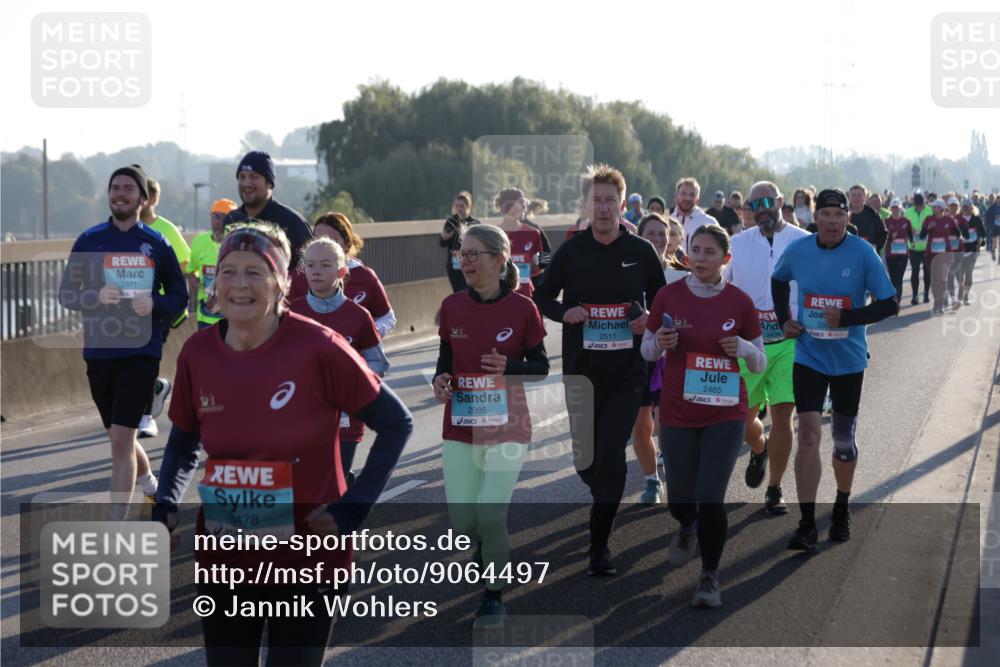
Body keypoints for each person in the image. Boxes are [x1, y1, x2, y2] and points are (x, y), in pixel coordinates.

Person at [153, 222, 412, 666]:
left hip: (309, 554)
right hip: (227, 549)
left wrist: (354, 507)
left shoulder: (320, 347)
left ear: (280, 281)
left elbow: (396, 423)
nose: (239, 284)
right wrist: (166, 503)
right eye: (228, 272)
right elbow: (182, 442)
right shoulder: (197, 352)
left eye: (254, 272)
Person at [533, 164, 666, 575]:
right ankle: (604, 495)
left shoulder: (641, 251)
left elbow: (663, 305)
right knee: (586, 460)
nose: (604, 208)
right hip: (581, 371)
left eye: (611, 200)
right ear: (585, 205)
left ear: (623, 205)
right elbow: (540, 297)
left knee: (609, 453)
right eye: (596, 200)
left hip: (627, 373)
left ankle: (599, 546)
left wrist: (649, 320)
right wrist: (565, 311)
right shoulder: (571, 252)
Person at [642, 225, 765, 608]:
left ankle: (710, 576)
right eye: (695, 250)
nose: (699, 257)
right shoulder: (669, 295)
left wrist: (743, 347)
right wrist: (660, 344)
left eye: (709, 252)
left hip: (725, 413)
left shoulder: (740, 303)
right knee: (681, 499)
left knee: (711, 496)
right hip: (678, 412)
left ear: (726, 259)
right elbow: (646, 350)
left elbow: (759, 362)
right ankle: (686, 525)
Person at [432, 224, 548, 626]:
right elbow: (446, 357)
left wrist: (510, 367)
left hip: (508, 427)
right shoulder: (452, 307)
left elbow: (541, 368)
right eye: (460, 254)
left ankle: (494, 595)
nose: (464, 261)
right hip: (461, 425)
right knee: (465, 523)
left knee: (491, 514)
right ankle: (483, 544)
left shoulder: (522, 309)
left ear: (499, 260)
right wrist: (439, 380)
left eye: (472, 254)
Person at [771, 188, 898, 551]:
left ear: (847, 219)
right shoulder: (799, 250)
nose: (830, 221)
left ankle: (841, 506)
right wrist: (785, 320)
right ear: (816, 218)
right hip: (808, 355)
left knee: (842, 438)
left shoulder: (862, 253)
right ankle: (807, 523)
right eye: (824, 214)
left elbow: (889, 305)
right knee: (809, 432)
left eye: (837, 215)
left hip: (848, 359)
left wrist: (849, 317)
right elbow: (779, 281)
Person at [58, 165, 188, 516]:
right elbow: (67, 294)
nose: (120, 193)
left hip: (140, 351)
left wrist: (155, 303)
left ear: (142, 199)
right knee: (119, 437)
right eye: (115, 187)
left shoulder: (156, 243)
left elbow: (180, 296)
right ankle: (150, 485)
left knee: (121, 441)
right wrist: (96, 296)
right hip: (100, 351)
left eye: (129, 189)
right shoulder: (90, 239)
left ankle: (118, 527)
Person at [724, 182, 809, 515]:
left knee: (784, 417)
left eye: (767, 202)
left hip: (790, 342)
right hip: (751, 344)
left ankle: (775, 487)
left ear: (779, 202)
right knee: (741, 421)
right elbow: (722, 286)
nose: (762, 209)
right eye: (754, 204)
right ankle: (759, 448)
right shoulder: (738, 243)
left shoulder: (803, 241)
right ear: (748, 208)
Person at [290, 237, 390, 485]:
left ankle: (344, 493)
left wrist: (353, 388)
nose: (316, 270)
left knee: (334, 485)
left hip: (346, 420)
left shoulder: (358, 315)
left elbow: (378, 363)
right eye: (311, 265)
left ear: (341, 271)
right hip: (304, 419)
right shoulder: (291, 314)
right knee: (308, 486)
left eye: (325, 265)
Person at [632, 213, 689, 505]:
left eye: (661, 233)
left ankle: (679, 478)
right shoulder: (626, 271)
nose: (656, 238)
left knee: (667, 421)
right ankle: (652, 481)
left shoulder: (682, 274)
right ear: (638, 235)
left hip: (673, 356)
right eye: (649, 233)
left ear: (670, 239)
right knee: (641, 426)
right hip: (636, 359)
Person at [135, 176, 192, 438]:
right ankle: (157, 388)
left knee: (147, 354)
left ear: (154, 199)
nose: (144, 199)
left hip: (160, 306)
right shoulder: (127, 227)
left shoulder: (166, 229)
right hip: (131, 307)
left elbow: (183, 265)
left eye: (148, 195)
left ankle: (145, 415)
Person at [224, 150, 313, 279]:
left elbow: (308, 272)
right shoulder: (231, 220)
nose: (246, 183)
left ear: (270, 183)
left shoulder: (292, 222)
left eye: (254, 177)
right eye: (242, 177)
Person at [313, 212, 397, 338]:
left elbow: (388, 318)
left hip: (358, 356)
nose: (324, 247)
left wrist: (368, 335)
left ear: (347, 244)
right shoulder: (301, 276)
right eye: (318, 240)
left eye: (332, 241)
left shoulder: (365, 276)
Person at [187, 198, 238, 330]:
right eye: (214, 216)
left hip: (232, 315)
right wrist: (193, 279)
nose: (217, 221)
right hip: (205, 315)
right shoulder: (199, 241)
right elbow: (190, 269)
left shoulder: (238, 242)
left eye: (222, 217)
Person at [495, 188, 543, 298]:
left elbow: (543, 261)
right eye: (521, 202)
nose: (525, 206)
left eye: (525, 202)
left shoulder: (534, 232)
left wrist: (534, 265)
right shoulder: (492, 234)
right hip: (499, 296)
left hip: (526, 295)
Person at [920, 199, 966, 315]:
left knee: (942, 278)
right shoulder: (928, 219)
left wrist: (959, 237)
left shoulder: (949, 220)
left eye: (934, 207)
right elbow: (921, 236)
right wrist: (927, 228)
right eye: (932, 207)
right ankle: (938, 301)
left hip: (946, 254)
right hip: (931, 255)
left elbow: (957, 232)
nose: (932, 208)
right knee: (934, 280)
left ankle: (939, 304)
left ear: (940, 208)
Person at [440, 191, 480, 292]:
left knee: (467, 290)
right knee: (457, 291)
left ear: (468, 206)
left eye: (461, 206)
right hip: (454, 265)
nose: (458, 209)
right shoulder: (451, 221)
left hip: (471, 263)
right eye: (456, 206)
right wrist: (446, 236)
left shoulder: (475, 223)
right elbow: (442, 243)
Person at [952, 199, 986, 306]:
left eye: (967, 207)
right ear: (961, 208)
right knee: (959, 275)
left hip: (972, 250)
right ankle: (961, 287)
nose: (965, 209)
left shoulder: (977, 220)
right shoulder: (957, 219)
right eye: (963, 207)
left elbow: (983, 234)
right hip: (959, 251)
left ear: (972, 208)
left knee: (969, 274)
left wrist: (980, 242)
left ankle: (966, 296)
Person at [672, 178, 718, 251]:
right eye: (683, 193)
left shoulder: (709, 223)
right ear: (676, 196)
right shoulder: (668, 223)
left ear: (697, 200)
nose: (687, 198)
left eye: (692, 195)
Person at [905, 192, 934, 304]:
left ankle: (926, 293)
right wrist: (909, 229)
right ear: (914, 203)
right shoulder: (908, 212)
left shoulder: (930, 211)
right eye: (917, 205)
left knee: (927, 272)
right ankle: (915, 295)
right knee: (915, 271)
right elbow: (904, 226)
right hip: (914, 246)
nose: (919, 207)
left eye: (921, 205)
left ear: (924, 203)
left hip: (927, 246)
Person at [884, 198, 915, 302]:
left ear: (900, 208)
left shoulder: (906, 221)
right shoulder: (887, 222)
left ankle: (897, 301)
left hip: (903, 254)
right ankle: (894, 299)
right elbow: (883, 239)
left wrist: (912, 241)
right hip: (890, 255)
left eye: (897, 207)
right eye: (893, 207)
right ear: (890, 209)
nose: (895, 209)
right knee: (893, 279)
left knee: (899, 277)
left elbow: (910, 235)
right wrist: (890, 236)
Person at [848, 185, 888, 254]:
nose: (856, 198)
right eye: (853, 195)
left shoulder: (873, 214)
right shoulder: (842, 214)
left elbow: (884, 233)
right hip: (848, 254)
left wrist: (877, 248)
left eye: (859, 195)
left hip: (868, 254)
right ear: (849, 197)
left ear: (866, 197)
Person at [523, 199, 554, 289]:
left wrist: (539, 270)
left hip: (532, 278)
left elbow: (546, 250)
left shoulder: (534, 229)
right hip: (512, 277)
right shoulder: (506, 229)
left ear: (527, 209)